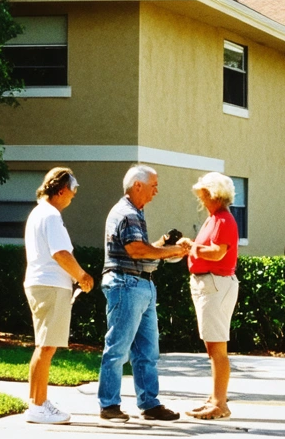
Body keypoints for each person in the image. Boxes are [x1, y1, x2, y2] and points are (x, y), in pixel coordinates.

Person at [98, 165, 191, 423]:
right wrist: (172, 252)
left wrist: (162, 244)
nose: (156, 191)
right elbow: (137, 251)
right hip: (127, 284)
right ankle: (109, 405)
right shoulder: (128, 214)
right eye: (153, 186)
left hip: (139, 285)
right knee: (118, 348)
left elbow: (142, 249)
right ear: (137, 186)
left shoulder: (133, 213)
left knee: (147, 351)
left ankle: (149, 403)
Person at [22, 167, 94, 424]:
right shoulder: (51, 216)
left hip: (42, 284)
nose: (72, 198)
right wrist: (82, 276)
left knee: (44, 346)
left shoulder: (38, 213)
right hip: (50, 286)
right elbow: (61, 253)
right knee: (46, 346)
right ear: (61, 190)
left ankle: (38, 402)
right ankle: (38, 406)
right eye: (72, 193)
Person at [183, 172, 240, 420]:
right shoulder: (215, 219)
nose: (200, 197)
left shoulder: (223, 221)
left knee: (217, 346)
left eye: (203, 192)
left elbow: (217, 254)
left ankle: (219, 403)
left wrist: (191, 246)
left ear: (212, 194)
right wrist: (194, 247)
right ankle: (216, 398)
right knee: (212, 345)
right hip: (210, 285)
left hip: (215, 284)